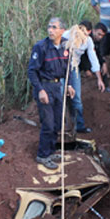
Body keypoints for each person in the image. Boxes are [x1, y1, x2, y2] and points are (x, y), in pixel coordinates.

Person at [27, 17, 76, 169]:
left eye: (54, 27)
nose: (51, 30)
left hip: (58, 87)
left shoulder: (66, 45)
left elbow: (68, 68)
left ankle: (50, 151)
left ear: (62, 30)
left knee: (57, 123)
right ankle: (42, 155)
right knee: (48, 124)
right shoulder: (41, 47)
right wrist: (40, 90)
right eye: (49, 27)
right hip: (44, 87)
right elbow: (32, 71)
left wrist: (68, 85)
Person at [62, 21, 106, 133]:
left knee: (76, 97)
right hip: (61, 68)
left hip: (74, 68)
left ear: (89, 32)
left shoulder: (88, 41)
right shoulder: (66, 35)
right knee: (61, 96)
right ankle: (60, 125)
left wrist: (99, 79)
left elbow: (93, 59)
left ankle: (79, 125)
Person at [79, 22, 110, 93]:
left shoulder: (101, 40)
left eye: (102, 35)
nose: (100, 37)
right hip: (81, 58)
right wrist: (86, 69)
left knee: (102, 65)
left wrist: (103, 63)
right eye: (99, 34)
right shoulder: (86, 38)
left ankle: (105, 86)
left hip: (92, 55)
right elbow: (82, 55)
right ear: (93, 30)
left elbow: (99, 52)